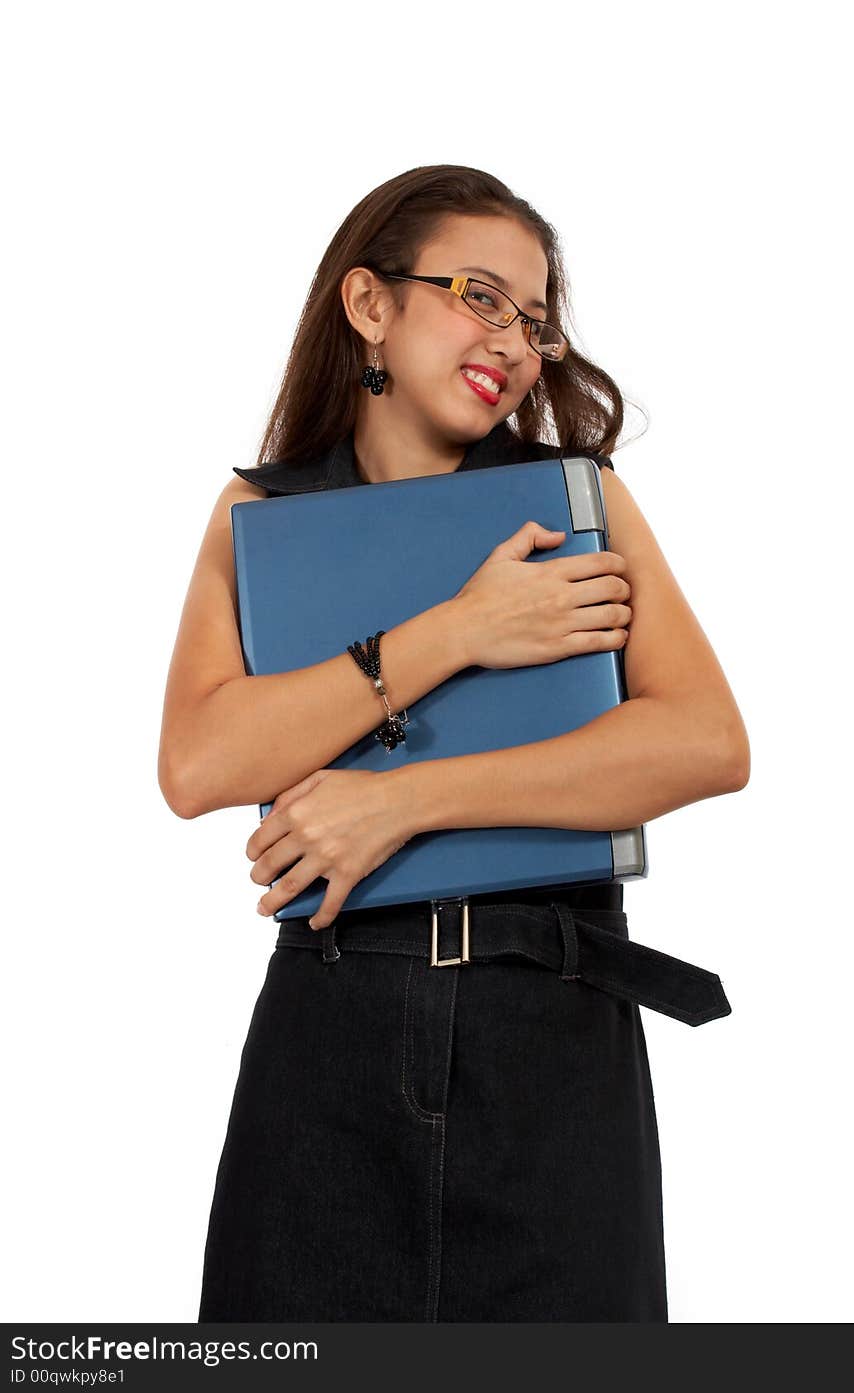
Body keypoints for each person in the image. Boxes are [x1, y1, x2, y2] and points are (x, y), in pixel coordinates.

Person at [158, 164, 750, 1323]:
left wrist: (405, 798)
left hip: (553, 1038)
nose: (515, 342)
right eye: (479, 296)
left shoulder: (574, 497)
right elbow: (199, 766)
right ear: (369, 303)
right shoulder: (260, 513)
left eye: (533, 320)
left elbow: (703, 741)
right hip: (330, 1035)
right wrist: (459, 631)